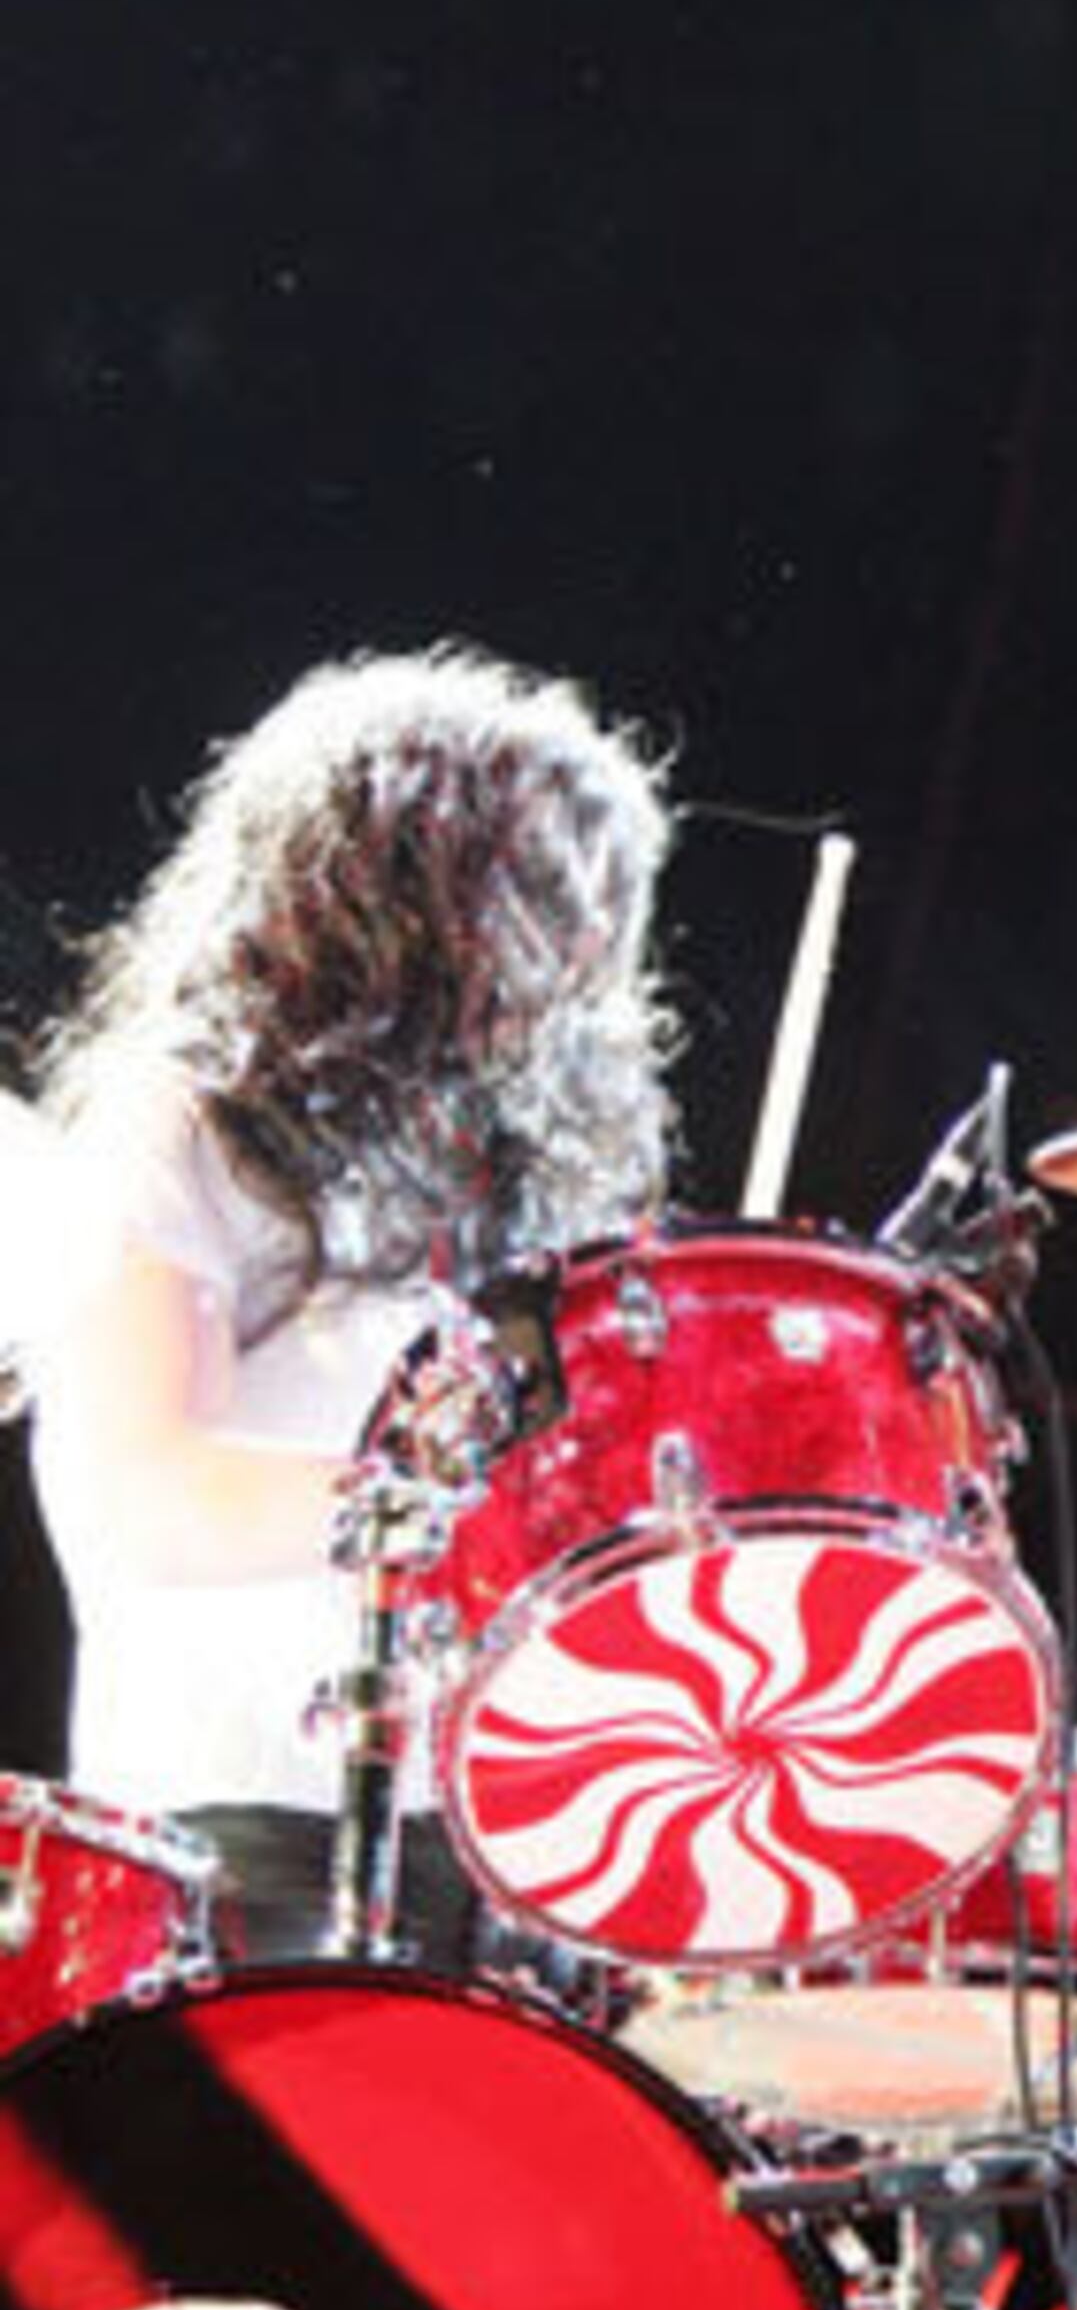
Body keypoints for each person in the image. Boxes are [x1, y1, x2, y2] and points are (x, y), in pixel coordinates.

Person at [2, 645, 677, 1968]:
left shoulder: (524, 1204)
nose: (588, 943)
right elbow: (144, 1492)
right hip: (237, 1858)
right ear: (390, 891)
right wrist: (490, 1505)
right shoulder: (188, 1128)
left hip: (507, 1868)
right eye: (547, 889)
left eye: (606, 901)